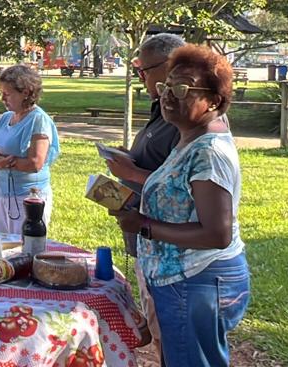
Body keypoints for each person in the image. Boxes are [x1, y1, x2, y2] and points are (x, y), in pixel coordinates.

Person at [110, 45, 249, 367]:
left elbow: (217, 233)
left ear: (214, 100)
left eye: (182, 88)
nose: (169, 95)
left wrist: (144, 225)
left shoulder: (209, 152)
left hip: (197, 281)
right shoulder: (188, 138)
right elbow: (180, 200)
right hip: (179, 279)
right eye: (166, 86)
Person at [105, 32, 184, 355]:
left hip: (171, 249)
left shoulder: (186, 119)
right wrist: (131, 160)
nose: (140, 77)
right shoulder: (161, 108)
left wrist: (133, 174)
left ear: (170, 66)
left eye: (144, 69)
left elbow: (186, 185)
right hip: (147, 239)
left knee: (174, 337)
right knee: (159, 325)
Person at [0, 64, 60, 235]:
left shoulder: (38, 120)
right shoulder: (6, 118)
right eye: (1, 93)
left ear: (26, 92)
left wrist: (3, 163)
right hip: (3, 194)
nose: (2, 98)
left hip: (29, 198)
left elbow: (35, 163)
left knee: (25, 251)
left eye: (7, 94)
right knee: (2, 248)